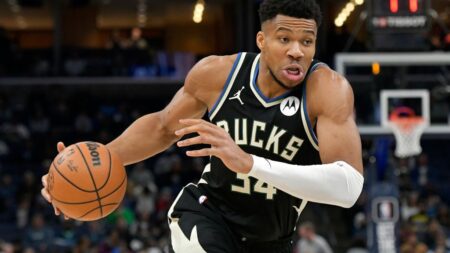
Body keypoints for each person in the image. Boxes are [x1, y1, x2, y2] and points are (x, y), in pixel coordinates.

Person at [41, 0, 364, 252]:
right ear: (262, 40)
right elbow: (162, 128)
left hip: (273, 239)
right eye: (285, 39)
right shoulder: (218, 74)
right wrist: (90, 167)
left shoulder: (328, 90)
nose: (297, 51)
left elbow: (348, 188)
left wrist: (250, 164)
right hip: (208, 212)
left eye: (307, 42)